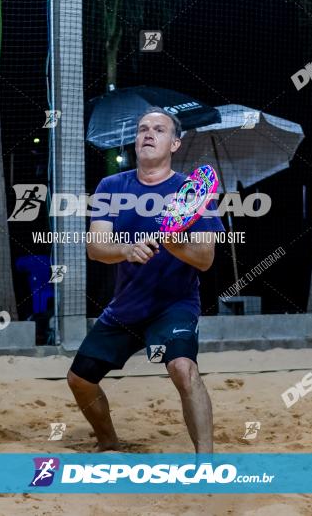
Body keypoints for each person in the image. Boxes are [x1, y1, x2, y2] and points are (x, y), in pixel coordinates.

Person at [67, 106, 223, 453]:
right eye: (142, 129)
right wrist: (126, 250)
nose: (148, 134)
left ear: (175, 144)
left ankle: (206, 463)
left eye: (158, 129)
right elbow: (95, 247)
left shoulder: (192, 192)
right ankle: (109, 444)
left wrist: (173, 241)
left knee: (183, 369)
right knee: (79, 380)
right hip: (127, 305)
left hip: (175, 304)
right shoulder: (111, 186)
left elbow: (205, 259)